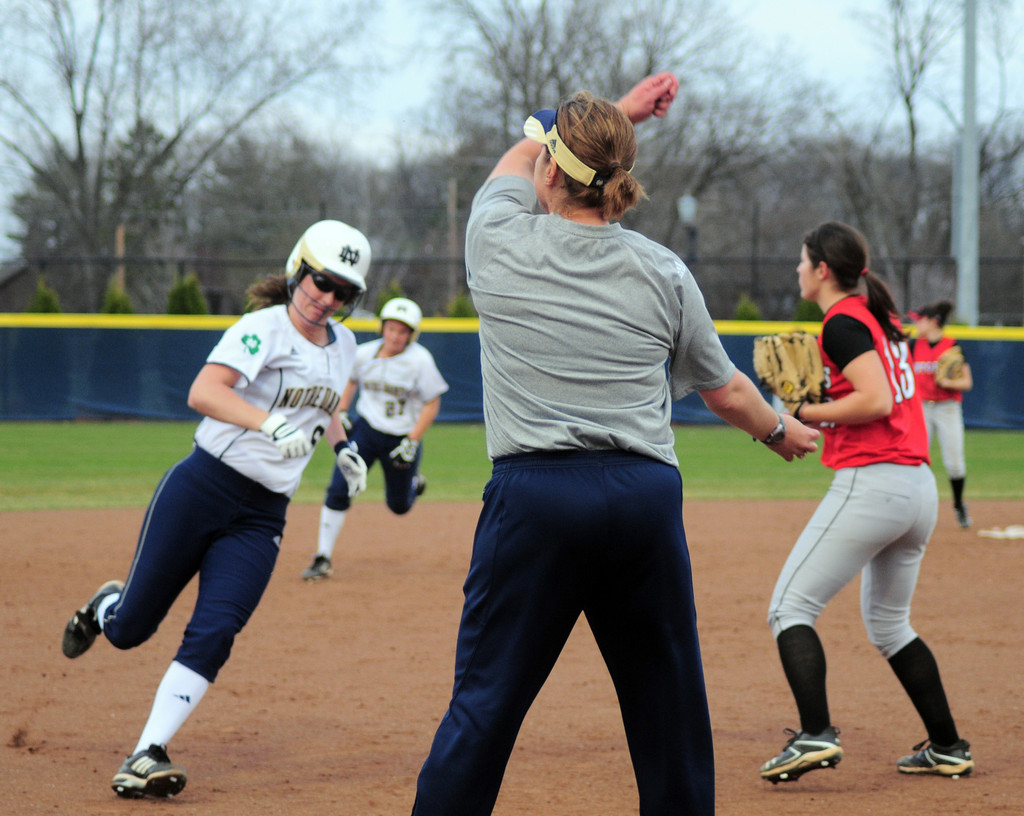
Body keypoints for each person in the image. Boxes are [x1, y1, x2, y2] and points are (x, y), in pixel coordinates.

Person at [410, 72, 819, 816]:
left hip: (537, 500)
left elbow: (514, 161)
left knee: (486, 702)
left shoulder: (497, 239)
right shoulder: (662, 268)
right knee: (670, 715)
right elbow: (724, 386)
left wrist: (616, 110)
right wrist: (780, 430)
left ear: (548, 171)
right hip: (643, 500)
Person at [59, 219, 372, 799]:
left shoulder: (346, 345)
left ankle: (146, 752)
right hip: (201, 489)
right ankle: (107, 605)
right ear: (297, 269)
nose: (327, 298)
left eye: (343, 292)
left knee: (218, 629)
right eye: (321, 281)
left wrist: (345, 446)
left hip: (262, 516)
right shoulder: (262, 328)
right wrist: (267, 421)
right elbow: (204, 391)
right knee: (131, 630)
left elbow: (323, 404)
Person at [759, 221, 973, 785]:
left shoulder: (843, 321)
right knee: (890, 626)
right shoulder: (881, 318)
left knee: (789, 608)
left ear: (824, 269)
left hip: (874, 482)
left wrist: (802, 413)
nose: (798, 269)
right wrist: (827, 397)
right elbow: (876, 390)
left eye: (803, 261)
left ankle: (815, 735)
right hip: (915, 488)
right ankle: (948, 746)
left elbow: (875, 400)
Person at [301, 296, 449, 581]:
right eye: (391, 328)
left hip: (400, 439)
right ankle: (323, 557)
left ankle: (414, 484)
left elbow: (432, 402)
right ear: (382, 327)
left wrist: (413, 440)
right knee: (339, 488)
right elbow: (351, 380)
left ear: (411, 335)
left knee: (399, 506)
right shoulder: (364, 353)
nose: (395, 335)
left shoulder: (420, 360)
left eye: (403, 331)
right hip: (366, 431)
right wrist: (343, 410)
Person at [910, 300, 973, 528]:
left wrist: (947, 381)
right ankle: (915, 509)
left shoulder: (952, 346)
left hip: (947, 408)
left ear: (933, 321)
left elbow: (967, 381)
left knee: (955, 462)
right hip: (922, 408)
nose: (916, 323)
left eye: (920, 319)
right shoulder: (913, 345)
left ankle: (958, 505)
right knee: (917, 459)